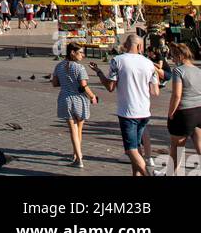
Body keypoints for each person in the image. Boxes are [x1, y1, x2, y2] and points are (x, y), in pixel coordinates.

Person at [91, 32, 160, 176]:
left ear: (126, 45)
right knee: (137, 146)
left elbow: (110, 87)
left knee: (131, 150)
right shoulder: (149, 63)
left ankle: (147, 174)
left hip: (128, 111)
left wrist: (99, 73)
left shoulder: (118, 60)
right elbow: (155, 91)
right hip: (144, 111)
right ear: (140, 46)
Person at [52, 41, 97, 168]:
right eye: (80, 52)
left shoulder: (59, 66)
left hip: (65, 99)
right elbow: (83, 85)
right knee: (79, 130)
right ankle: (78, 157)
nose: (83, 55)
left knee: (73, 129)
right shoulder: (79, 68)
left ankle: (77, 156)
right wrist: (93, 96)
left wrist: (66, 83)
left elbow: (55, 83)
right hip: (79, 99)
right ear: (73, 53)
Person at [166, 43, 201, 175]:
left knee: (176, 147)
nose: (172, 59)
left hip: (185, 113)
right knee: (200, 146)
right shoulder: (198, 70)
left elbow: (177, 95)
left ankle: (171, 173)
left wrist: (171, 113)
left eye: (173, 56)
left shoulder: (178, 70)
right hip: (199, 111)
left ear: (180, 56)